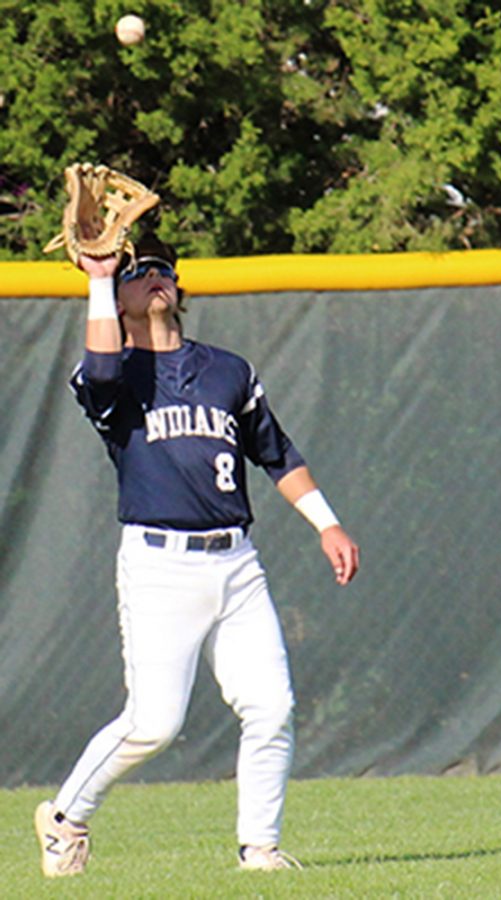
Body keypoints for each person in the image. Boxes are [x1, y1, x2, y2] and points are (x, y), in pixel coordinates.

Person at [34, 232, 359, 877]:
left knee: (272, 706)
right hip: (160, 565)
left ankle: (259, 850)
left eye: (164, 270)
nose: (154, 277)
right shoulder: (112, 373)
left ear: (178, 288)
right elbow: (99, 373)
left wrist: (328, 523)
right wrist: (98, 277)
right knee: (155, 722)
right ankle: (66, 816)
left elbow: (276, 453)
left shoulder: (228, 370)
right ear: (120, 296)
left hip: (237, 563)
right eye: (139, 272)